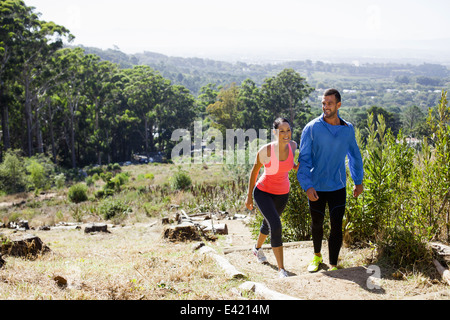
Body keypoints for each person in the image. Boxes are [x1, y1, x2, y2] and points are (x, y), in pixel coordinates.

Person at [297, 88, 364, 272]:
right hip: (316, 186)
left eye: (330, 103)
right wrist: (307, 185)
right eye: (323, 103)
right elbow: (304, 159)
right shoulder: (311, 128)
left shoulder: (347, 129)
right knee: (317, 223)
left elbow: (355, 157)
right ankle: (317, 256)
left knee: (336, 225)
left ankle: (334, 264)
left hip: (338, 186)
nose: (326, 107)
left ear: (338, 105)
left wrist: (358, 181)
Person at [245, 118, 299, 278]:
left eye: (288, 130)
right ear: (275, 133)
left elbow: (291, 165)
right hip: (263, 192)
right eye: (281, 131)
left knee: (268, 223)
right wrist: (248, 197)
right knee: (275, 224)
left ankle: (256, 248)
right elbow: (254, 172)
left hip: (283, 193)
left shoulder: (293, 146)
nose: (286, 134)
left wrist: (297, 166)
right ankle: (282, 270)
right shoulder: (266, 151)